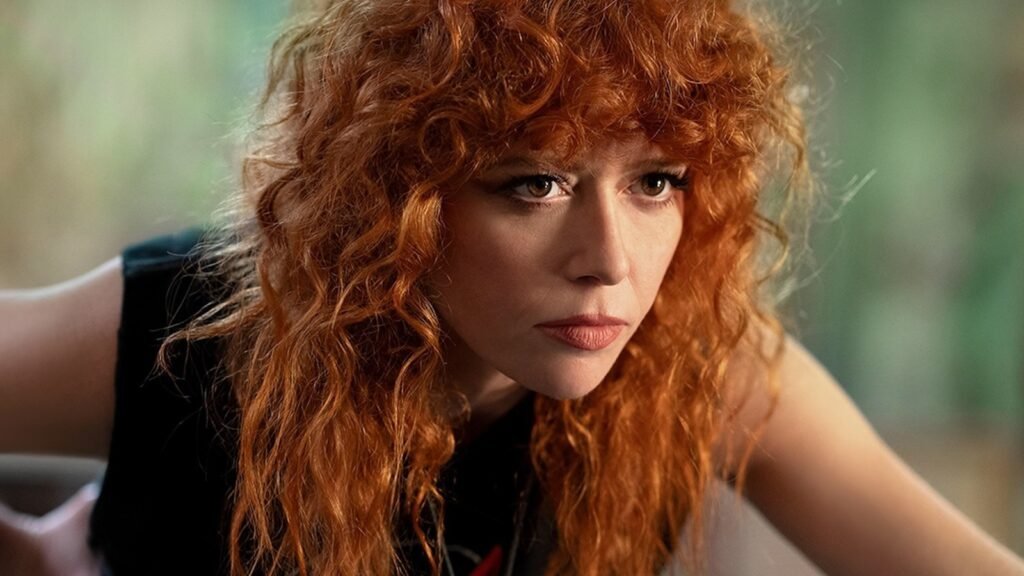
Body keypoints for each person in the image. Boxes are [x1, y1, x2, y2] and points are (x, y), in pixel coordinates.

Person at [2, 0, 1023, 575]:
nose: (609, 261)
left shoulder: (700, 364)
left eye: (656, 182)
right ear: (396, 197)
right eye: (534, 184)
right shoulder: (199, 330)